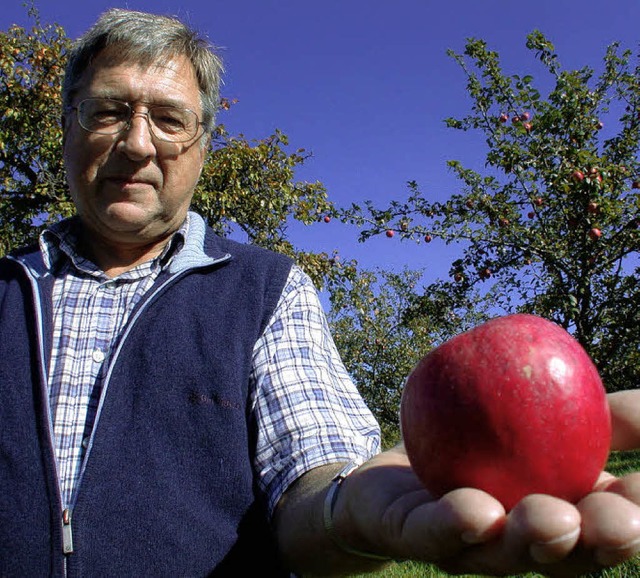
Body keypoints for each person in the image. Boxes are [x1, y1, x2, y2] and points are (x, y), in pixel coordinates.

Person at [1, 8, 640, 577]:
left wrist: (346, 510)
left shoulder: (261, 290)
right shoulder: (7, 292)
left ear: (202, 148)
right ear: (65, 126)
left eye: (169, 120)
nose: (137, 143)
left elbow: (312, 470)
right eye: (108, 110)